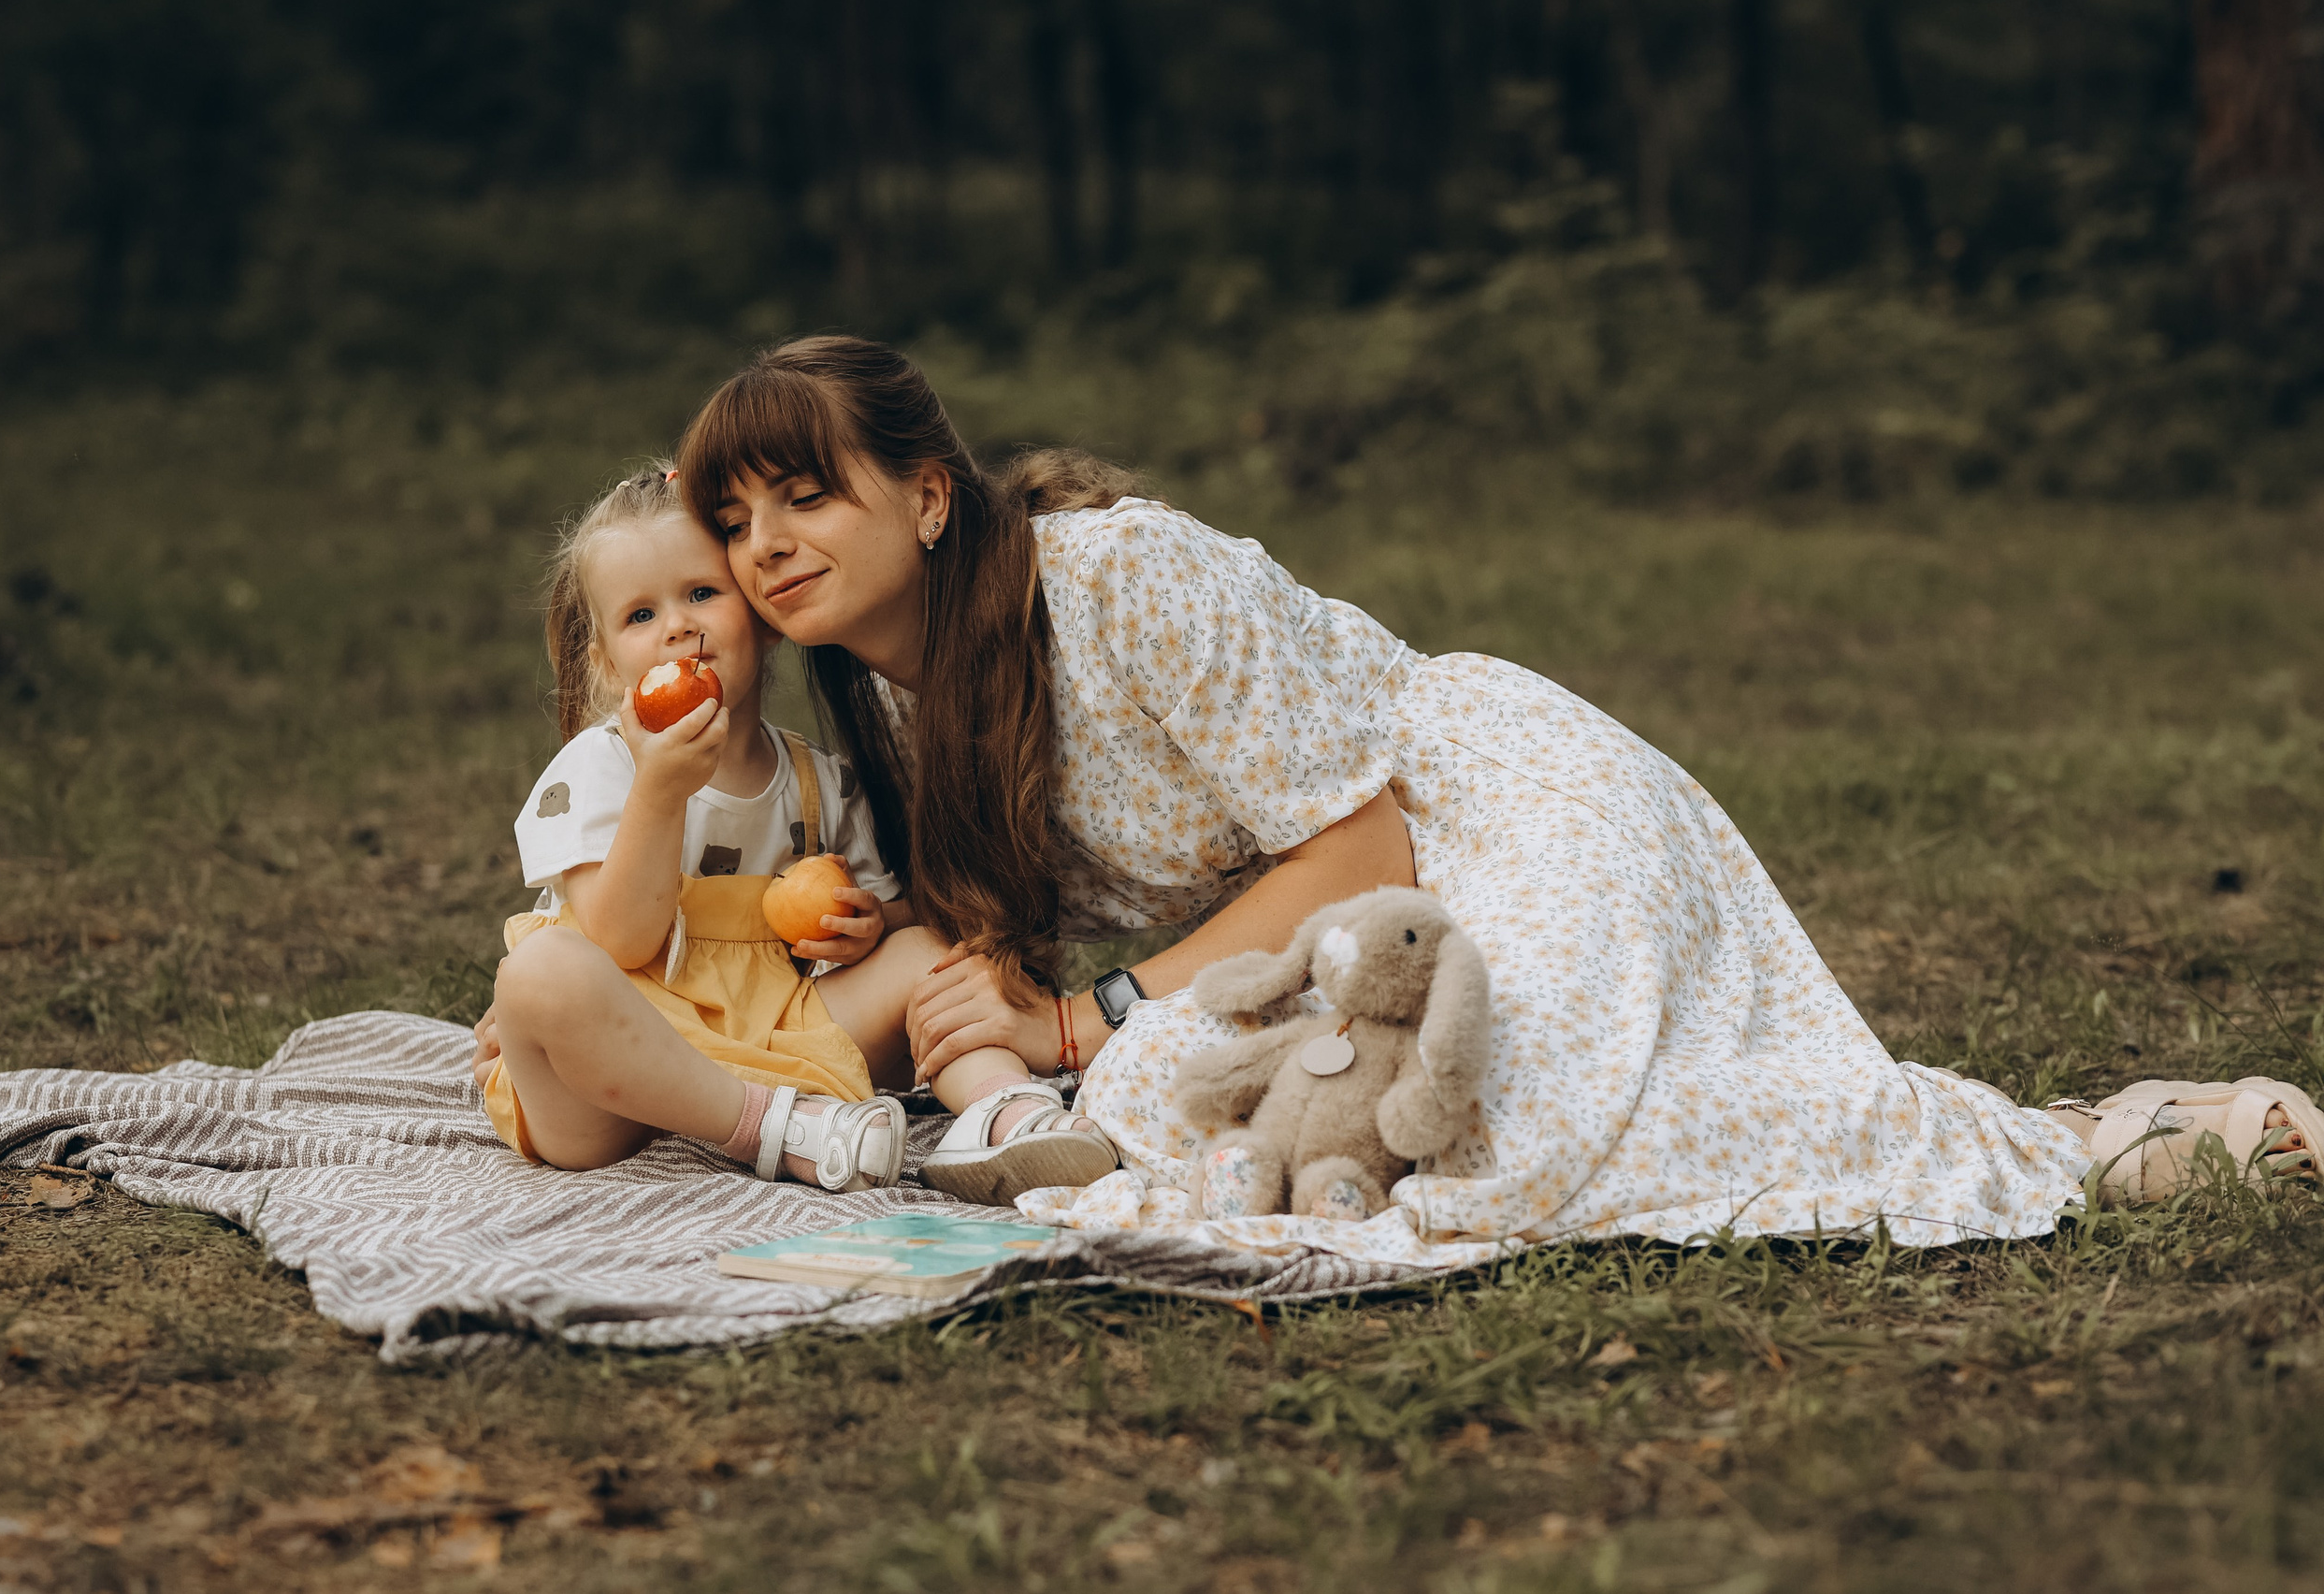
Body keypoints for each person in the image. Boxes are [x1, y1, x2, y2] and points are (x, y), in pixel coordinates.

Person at [671, 335, 2318, 1265]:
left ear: (930, 491)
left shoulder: (1118, 579)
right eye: (736, 522)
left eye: (806, 493)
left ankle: (2095, 1138)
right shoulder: (891, 705)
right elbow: (954, 958)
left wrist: (1089, 1013)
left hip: (1494, 805)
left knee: (1503, 1138)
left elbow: (1366, 831)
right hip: (1346, 920)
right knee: (1223, 1107)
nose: (770, 546)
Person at [471, 463, 1120, 1203]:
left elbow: (891, 916)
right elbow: (619, 941)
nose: (678, 626)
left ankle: (1008, 1112)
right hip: (614, 1086)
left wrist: (867, 925)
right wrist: (662, 790)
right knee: (539, 973)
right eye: (640, 616)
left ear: (762, 617)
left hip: (774, 1040)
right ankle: (765, 1128)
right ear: (606, 661)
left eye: (702, 594)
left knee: (923, 955)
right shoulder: (602, 767)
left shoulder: (819, 781)